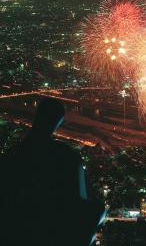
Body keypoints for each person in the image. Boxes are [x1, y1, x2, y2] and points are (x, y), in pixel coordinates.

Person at [0, 98, 105, 246]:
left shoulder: (10, 157)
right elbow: (80, 204)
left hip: (16, 233)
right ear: (59, 124)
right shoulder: (68, 156)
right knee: (99, 210)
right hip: (57, 232)